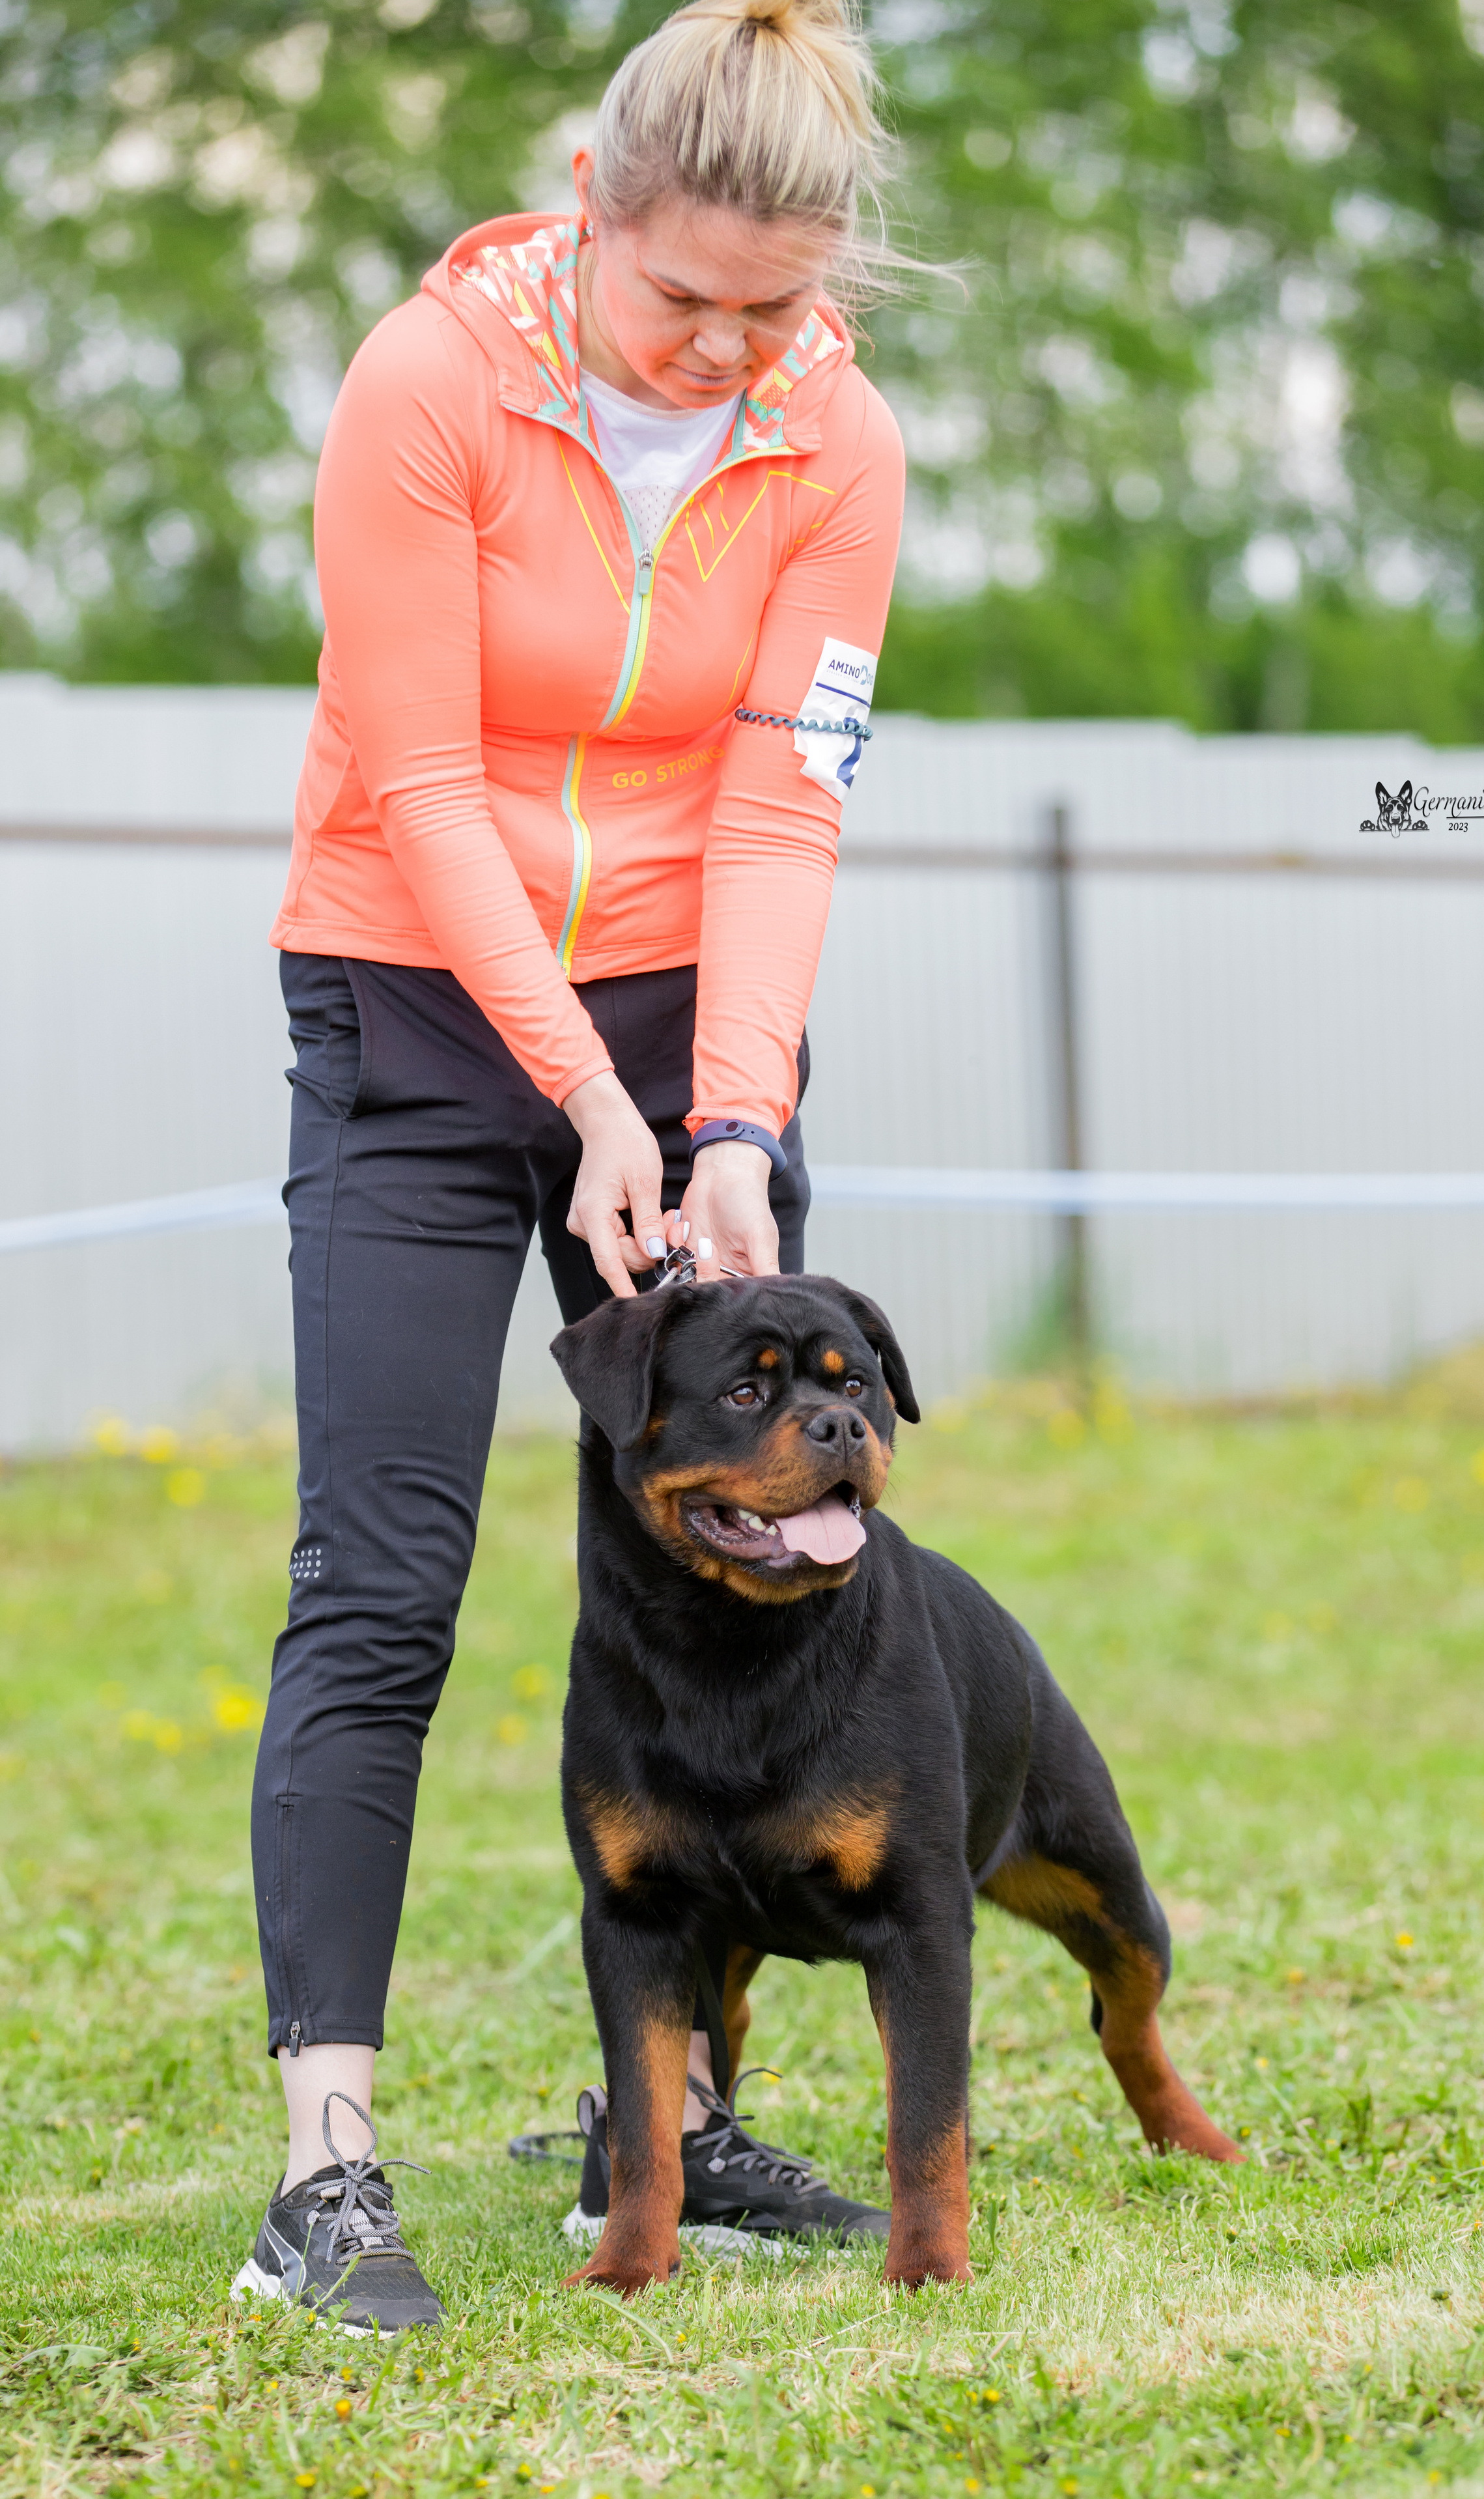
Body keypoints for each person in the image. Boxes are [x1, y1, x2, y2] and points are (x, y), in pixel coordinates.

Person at [230, 0, 908, 2334]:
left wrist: (723, 1115)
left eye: (776, 308)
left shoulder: (840, 441)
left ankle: (678, 2112)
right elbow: (421, 792)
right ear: (590, 213)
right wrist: (585, 1102)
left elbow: (781, 797)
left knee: (747, 1557)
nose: (726, 348)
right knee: (386, 1578)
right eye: (682, 299)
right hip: (415, 1000)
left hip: (679, 1018)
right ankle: (324, 2169)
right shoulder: (428, 386)